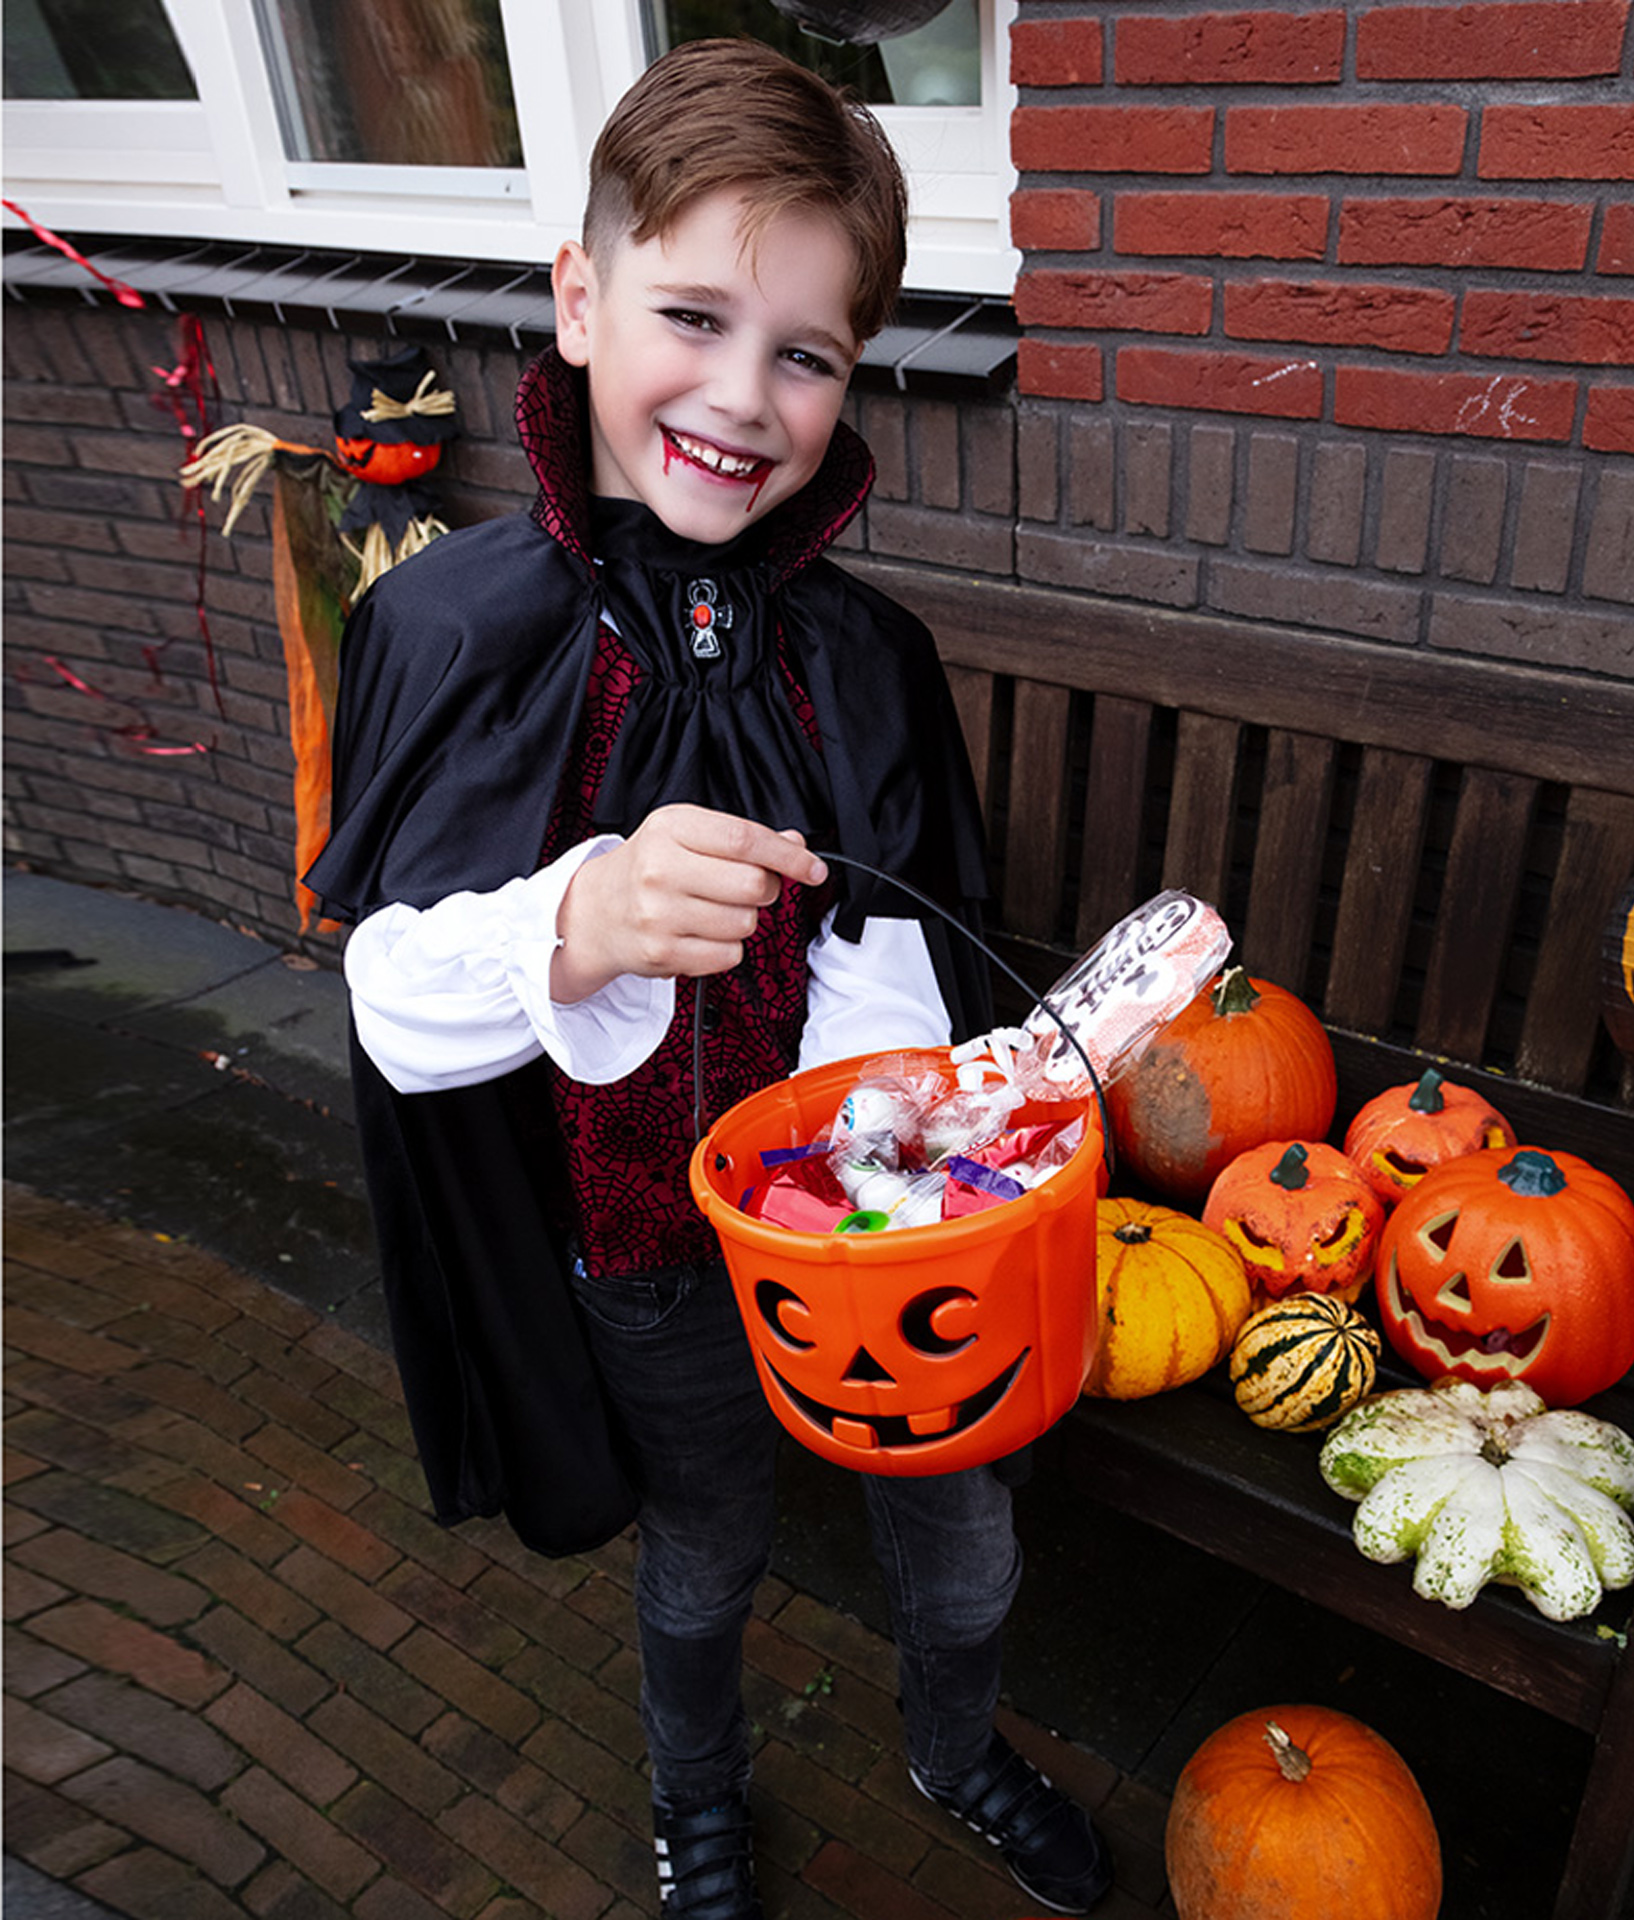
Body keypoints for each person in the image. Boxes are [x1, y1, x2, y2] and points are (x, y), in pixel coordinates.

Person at [304, 37, 1114, 1920]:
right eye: (692, 315)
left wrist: (900, 1113)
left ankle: (954, 1744)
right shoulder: (452, 623)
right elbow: (396, 1001)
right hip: (637, 1245)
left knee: (964, 1541)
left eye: (809, 353)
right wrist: (573, 926)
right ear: (579, 299)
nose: (744, 398)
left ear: (852, 376)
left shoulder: (869, 657)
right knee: (709, 1547)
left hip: (890, 1230)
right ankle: (701, 1805)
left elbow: (912, 947)